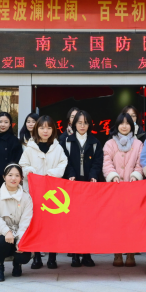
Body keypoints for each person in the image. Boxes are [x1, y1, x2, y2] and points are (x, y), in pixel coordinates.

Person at [19, 115, 68, 269]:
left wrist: (51, 173)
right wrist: (31, 171)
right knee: (36, 224)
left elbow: (63, 163)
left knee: (53, 225)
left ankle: (52, 257)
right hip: (34, 192)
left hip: (52, 193)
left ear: (53, 129)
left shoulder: (57, 148)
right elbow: (22, 166)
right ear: (36, 129)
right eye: (41, 127)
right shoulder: (30, 148)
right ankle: (37, 257)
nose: (45, 131)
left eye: (48, 128)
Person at [61, 110, 103, 267]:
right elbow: (64, 161)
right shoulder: (66, 141)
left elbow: (98, 162)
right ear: (74, 124)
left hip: (89, 186)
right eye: (79, 122)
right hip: (72, 185)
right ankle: (74, 254)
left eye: (85, 123)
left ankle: (86, 254)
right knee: (73, 221)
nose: (82, 126)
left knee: (88, 221)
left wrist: (93, 175)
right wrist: (71, 174)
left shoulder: (95, 142)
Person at [103, 112, 144, 267]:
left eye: (127, 123)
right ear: (117, 125)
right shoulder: (110, 144)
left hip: (133, 189)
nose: (124, 126)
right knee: (116, 223)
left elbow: (141, 163)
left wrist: (136, 175)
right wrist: (113, 175)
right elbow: (106, 162)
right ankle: (117, 254)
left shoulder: (138, 144)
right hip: (115, 189)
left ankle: (131, 254)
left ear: (132, 126)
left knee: (132, 223)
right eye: (121, 123)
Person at [0, 164, 33, 282]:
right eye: (10, 175)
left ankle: (17, 263)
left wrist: (20, 239)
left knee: (24, 256)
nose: (13, 178)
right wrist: (7, 231)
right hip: (0, 233)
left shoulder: (27, 197)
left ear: (21, 178)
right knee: (2, 242)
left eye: (17, 175)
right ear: (4, 177)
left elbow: (26, 221)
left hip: (20, 232)